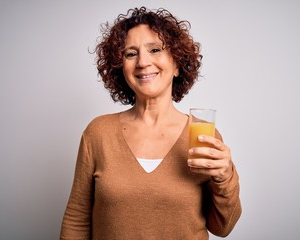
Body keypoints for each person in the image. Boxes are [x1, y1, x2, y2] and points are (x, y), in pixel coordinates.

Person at [60, 6, 241, 240]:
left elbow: (222, 228)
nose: (143, 62)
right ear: (120, 68)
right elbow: (77, 219)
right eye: (130, 54)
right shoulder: (98, 133)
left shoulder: (204, 135)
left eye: (155, 50)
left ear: (177, 65)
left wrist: (224, 176)